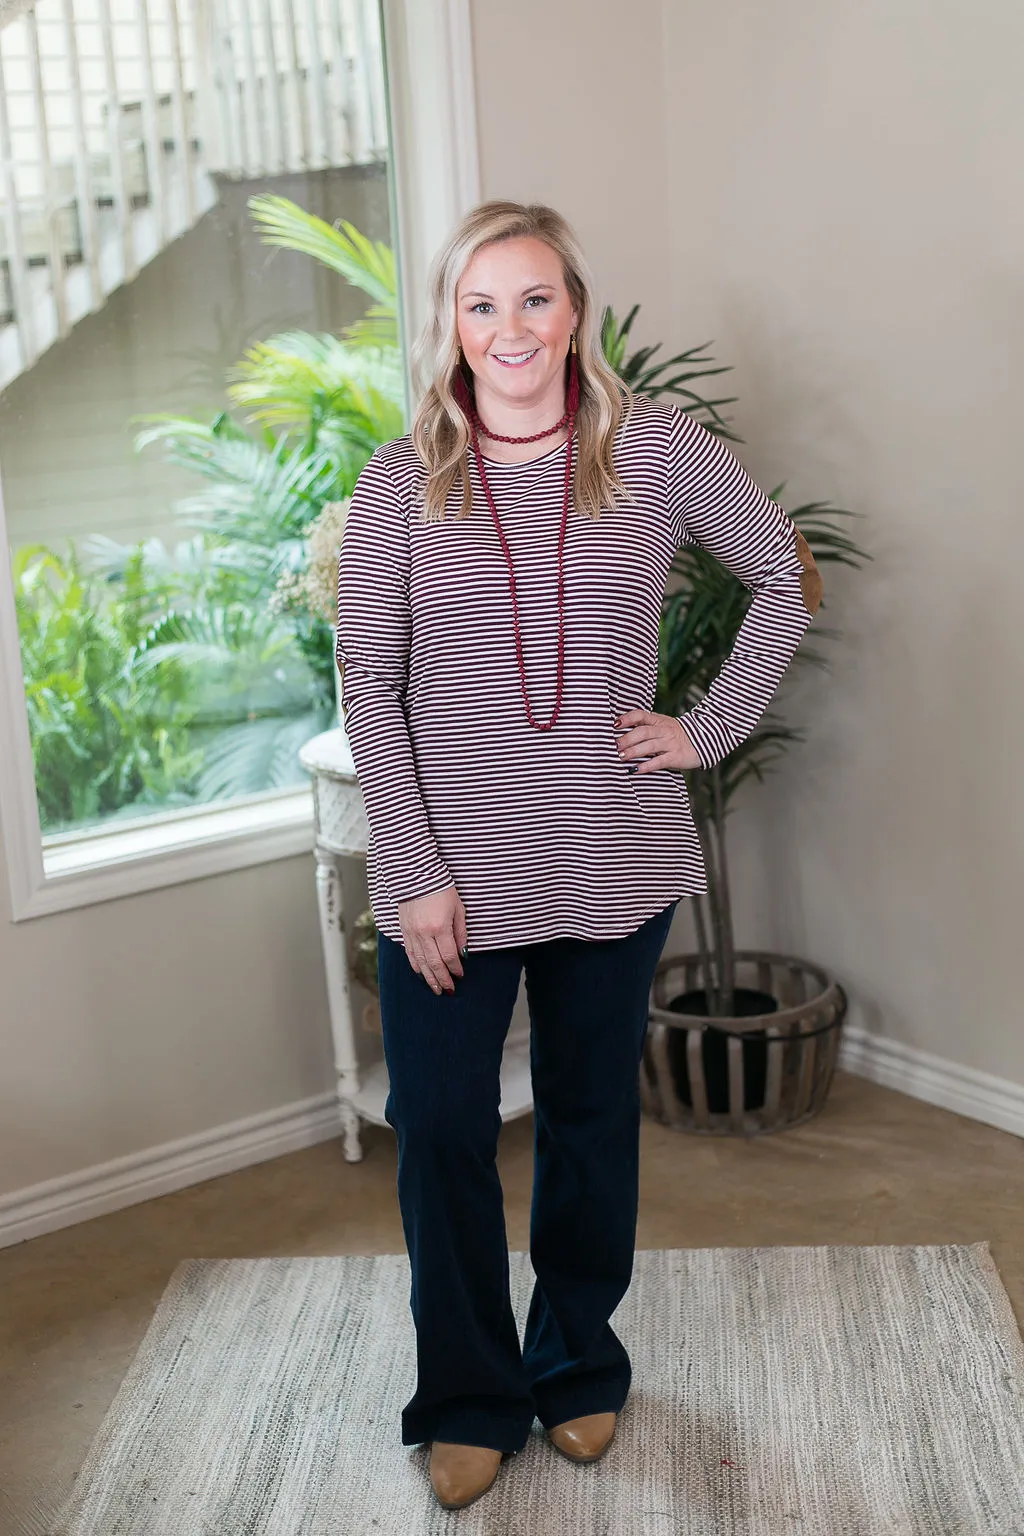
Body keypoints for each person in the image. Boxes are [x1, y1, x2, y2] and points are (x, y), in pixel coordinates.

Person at [335, 200, 822, 1511]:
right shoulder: (400, 480)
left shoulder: (654, 450)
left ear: (577, 315)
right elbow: (369, 686)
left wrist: (702, 728)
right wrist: (415, 873)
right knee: (439, 1125)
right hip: (450, 880)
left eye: (534, 299)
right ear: (449, 324)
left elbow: (782, 573)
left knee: (593, 1121)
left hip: (614, 859)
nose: (509, 328)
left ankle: (576, 1366)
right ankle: (469, 1396)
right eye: (480, 303)